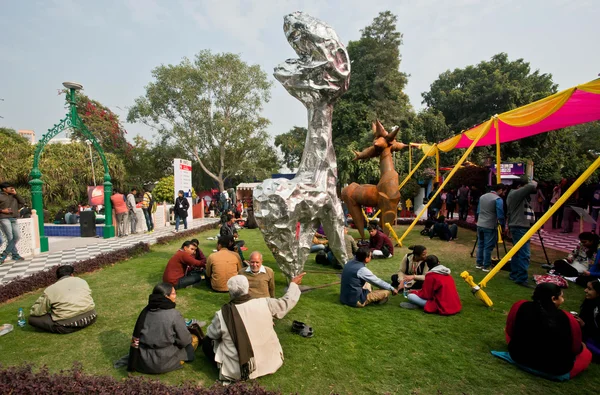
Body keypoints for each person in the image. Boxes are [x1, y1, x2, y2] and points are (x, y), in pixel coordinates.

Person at [203, 273, 304, 381]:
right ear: (248, 289)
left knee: (206, 342)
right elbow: (286, 302)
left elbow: (211, 334)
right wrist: (293, 284)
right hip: (270, 361)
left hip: (240, 369)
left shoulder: (222, 314)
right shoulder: (265, 303)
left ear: (230, 293)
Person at [505, 283, 592, 378]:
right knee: (586, 354)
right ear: (553, 299)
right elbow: (575, 349)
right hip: (553, 369)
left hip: (518, 356)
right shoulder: (568, 318)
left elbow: (510, 331)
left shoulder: (520, 305)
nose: (563, 300)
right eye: (561, 297)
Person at [127, 283, 198, 374]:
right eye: (173, 293)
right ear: (166, 296)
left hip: (144, 360)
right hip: (163, 361)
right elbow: (184, 340)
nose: (175, 296)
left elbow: (136, 338)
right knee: (193, 339)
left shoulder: (145, 311)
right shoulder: (173, 314)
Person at [28, 265, 97, 334]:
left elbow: (38, 311)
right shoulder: (82, 281)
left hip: (67, 326)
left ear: (57, 277)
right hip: (91, 317)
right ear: (72, 274)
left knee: (32, 319)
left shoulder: (51, 289)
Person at [507, 179, 538, 287]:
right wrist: (531, 180)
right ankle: (521, 278)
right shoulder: (515, 194)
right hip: (520, 227)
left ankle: (515, 274)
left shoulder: (516, 196)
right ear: (520, 186)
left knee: (517, 252)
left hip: (519, 226)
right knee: (524, 253)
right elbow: (531, 186)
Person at [475, 184, 506, 272]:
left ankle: (479, 263)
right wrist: (503, 224)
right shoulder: (498, 199)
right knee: (488, 246)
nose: (504, 193)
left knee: (480, 244)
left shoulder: (482, 197)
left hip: (480, 223)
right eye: (504, 191)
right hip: (490, 225)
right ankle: (486, 265)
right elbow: (500, 213)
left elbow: (478, 210)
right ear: (500, 190)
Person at [0, 182, 25, 264]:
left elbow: (22, 202)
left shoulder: (14, 196)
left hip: (14, 218)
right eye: (10, 188)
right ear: (4, 189)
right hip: (4, 218)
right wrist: (2, 210)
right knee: (10, 236)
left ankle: (4, 254)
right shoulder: (0, 196)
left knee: (17, 236)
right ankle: (14, 255)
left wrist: (16, 194)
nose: (12, 189)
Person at [576, 280, 600, 358]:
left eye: (589, 289)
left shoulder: (597, 309)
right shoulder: (590, 301)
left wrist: (584, 325)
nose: (585, 290)